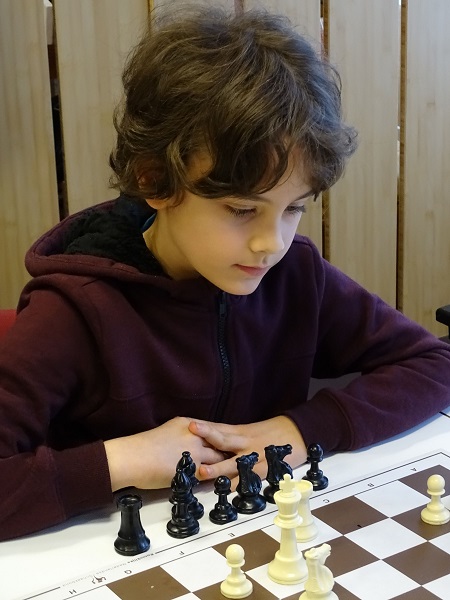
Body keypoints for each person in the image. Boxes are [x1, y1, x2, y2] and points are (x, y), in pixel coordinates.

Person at [0, 7, 449, 542]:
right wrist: (123, 459)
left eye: (294, 208)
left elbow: (434, 363)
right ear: (156, 180)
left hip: (262, 540)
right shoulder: (73, 309)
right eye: (241, 209)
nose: (272, 242)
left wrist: (299, 429)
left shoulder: (296, 274)